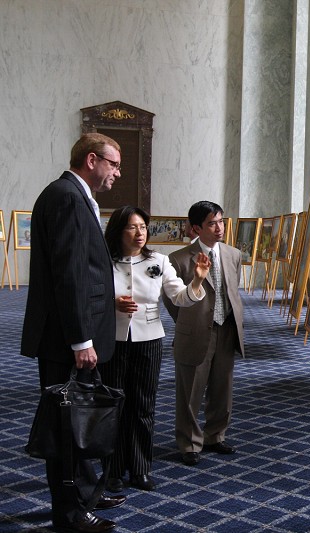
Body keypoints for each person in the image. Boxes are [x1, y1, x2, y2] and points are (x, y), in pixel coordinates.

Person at [21, 133, 123, 532]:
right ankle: (69, 514)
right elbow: (70, 274)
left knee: (78, 419)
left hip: (74, 335)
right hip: (67, 339)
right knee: (66, 426)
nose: (117, 173)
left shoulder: (74, 195)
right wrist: (81, 340)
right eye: (114, 164)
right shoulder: (66, 197)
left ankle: (84, 492)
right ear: (92, 160)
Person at [99, 206, 210, 492]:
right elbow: (90, 297)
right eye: (132, 227)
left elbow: (180, 297)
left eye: (143, 227)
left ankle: (140, 468)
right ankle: (113, 470)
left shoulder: (159, 260)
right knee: (113, 405)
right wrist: (112, 304)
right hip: (112, 340)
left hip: (149, 341)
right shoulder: (103, 260)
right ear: (118, 231)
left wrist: (197, 279)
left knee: (143, 405)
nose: (140, 233)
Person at [164, 201, 245, 466]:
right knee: (190, 392)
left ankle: (215, 435)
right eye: (212, 223)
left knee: (223, 389)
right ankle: (189, 443)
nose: (219, 228)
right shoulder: (179, 259)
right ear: (197, 228)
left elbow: (232, 291)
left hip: (227, 329)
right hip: (195, 332)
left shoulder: (233, 255)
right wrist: (188, 323)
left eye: (221, 221)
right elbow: (172, 301)